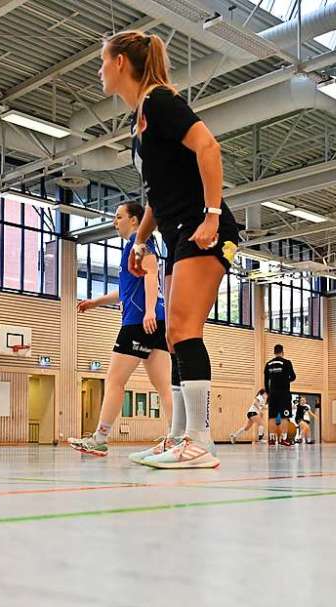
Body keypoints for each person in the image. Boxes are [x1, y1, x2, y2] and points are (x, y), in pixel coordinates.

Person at [99, 30, 240, 469]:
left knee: (182, 329)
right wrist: (140, 241)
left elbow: (208, 147)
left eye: (103, 62)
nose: (100, 71)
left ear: (121, 62)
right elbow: (157, 196)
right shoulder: (139, 121)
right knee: (176, 338)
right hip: (177, 231)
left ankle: (199, 441)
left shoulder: (160, 102)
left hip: (205, 228)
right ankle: (179, 436)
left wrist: (212, 215)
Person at [68, 201, 173, 458]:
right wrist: (97, 302)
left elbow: (151, 274)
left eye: (119, 217)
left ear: (135, 220)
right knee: (164, 387)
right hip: (155, 322)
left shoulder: (139, 242)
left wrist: (147, 310)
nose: (116, 222)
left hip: (139, 322)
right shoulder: (136, 245)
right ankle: (176, 437)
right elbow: (125, 291)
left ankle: (100, 438)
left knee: (115, 381)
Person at [264, 344, 296, 446]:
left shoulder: (268, 364)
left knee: (272, 417)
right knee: (283, 417)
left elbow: (266, 382)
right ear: (282, 352)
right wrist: (286, 380)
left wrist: (269, 393)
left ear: (274, 352)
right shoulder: (287, 362)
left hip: (272, 393)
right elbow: (293, 377)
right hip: (284, 393)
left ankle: (272, 439)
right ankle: (283, 439)